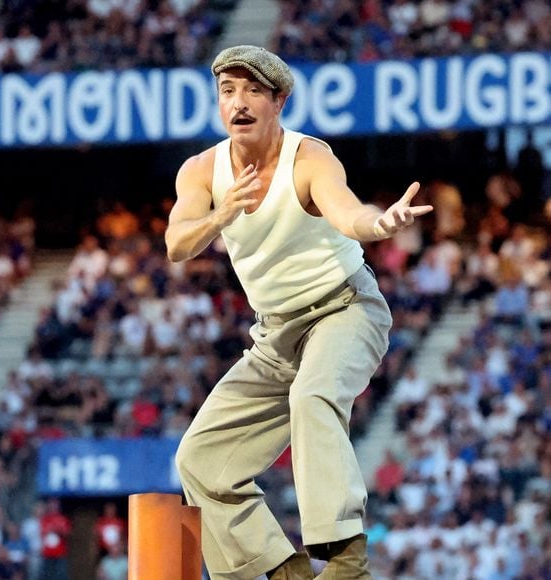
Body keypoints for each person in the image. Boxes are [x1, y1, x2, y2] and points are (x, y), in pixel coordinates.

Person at [167, 44, 433, 579]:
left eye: (253, 91)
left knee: (312, 395)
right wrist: (221, 214)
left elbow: (348, 212)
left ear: (279, 100)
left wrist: (379, 224)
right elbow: (177, 244)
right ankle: (282, 571)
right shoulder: (201, 171)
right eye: (228, 91)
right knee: (199, 459)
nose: (238, 103)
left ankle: (345, 558)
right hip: (275, 336)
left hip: (345, 310)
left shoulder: (308, 157)